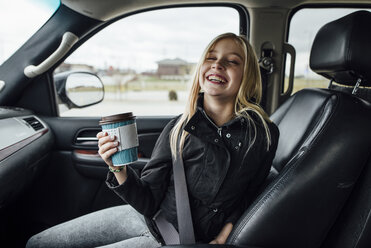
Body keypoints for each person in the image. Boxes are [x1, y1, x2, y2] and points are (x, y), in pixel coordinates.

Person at [26, 32, 279, 247]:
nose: (217, 65)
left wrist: (227, 231)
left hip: (174, 241)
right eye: (210, 58)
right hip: (148, 217)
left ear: (248, 75)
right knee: (37, 243)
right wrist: (117, 166)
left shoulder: (261, 135)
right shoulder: (178, 128)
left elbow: (253, 194)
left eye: (231, 61)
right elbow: (147, 201)